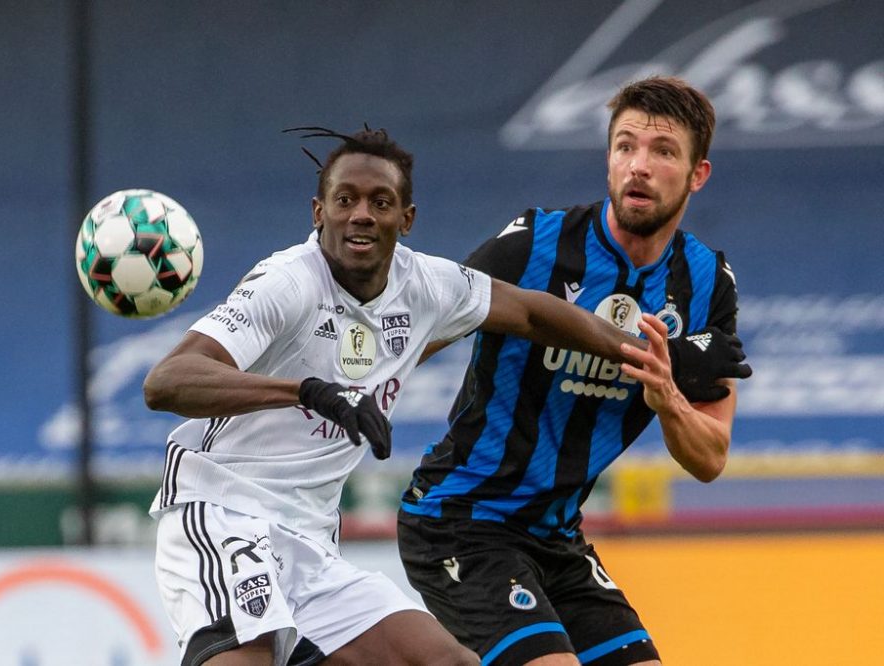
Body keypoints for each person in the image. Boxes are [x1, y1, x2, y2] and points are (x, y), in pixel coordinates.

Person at [142, 123, 748, 666]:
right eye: (345, 200)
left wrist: (643, 353)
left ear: (405, 219)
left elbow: (538, 315)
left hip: (310, 540)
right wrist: (309, 391)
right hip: (221, 510)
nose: (361, 215)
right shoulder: (287, 283)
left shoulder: (427, 284)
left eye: (380, 202)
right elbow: (165, 382)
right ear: (317, 212)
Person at [397, 76, 748, 666]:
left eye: (662, 152)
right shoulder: (533, 245)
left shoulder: (708, 283)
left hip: (557, 540)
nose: (638, 165)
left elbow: (710, 458)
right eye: (625, 146)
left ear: (697, 175)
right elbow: (408, 340)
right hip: (460, 521)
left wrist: (669, 400)